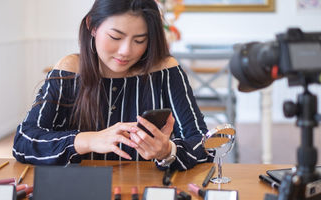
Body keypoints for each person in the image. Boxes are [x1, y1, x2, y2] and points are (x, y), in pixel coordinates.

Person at [12, 0, 214, 170]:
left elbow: (203, 144)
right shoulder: (71, 69)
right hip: (80, 196)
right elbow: (24, 142)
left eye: (139, 40)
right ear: (92, 26)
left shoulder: (165, 70)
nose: (126, 51)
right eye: (115, 37)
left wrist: (168, 151)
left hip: (147, 193)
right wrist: (88, 140)